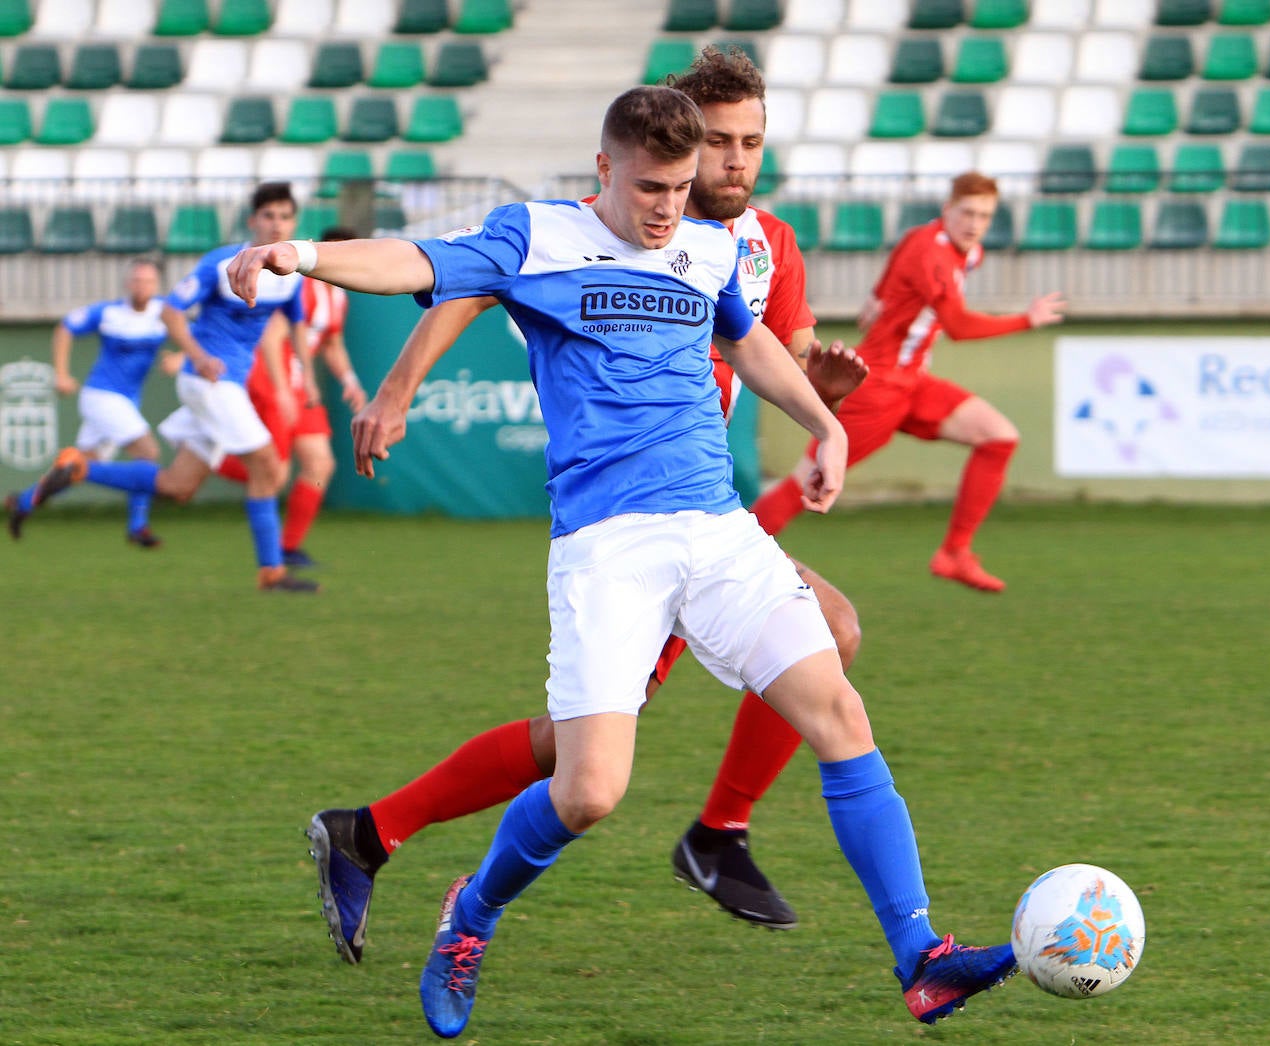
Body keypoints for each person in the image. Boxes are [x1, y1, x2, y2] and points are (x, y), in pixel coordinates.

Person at [229, 85, 1014, 1037]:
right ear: (605, 170)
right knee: (590, 789)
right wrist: (299, 255)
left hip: (719, 534)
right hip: (610, 548)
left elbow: (748, 337)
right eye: (649, 186)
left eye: (681, 188)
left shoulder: (713, 245)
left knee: (840, 708)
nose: (666, 208)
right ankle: (469, 916)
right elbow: (416, 263)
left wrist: (822, 422)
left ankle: (920, 957)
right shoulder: (538, 237)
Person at [304, 48, 865, 965]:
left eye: (749, 143)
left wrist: (823, 395)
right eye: (714, 141)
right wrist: (399, 386)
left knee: (818, 640)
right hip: (626, 515)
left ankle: (714, 832)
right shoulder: (589, 230)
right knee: (584, 759)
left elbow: (783, 358)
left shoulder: (764, 247)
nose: (732, 162)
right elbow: (474, 281)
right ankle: (389, 840)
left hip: (704, 515)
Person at [751, 172, 1067, 593]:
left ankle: (954, 554)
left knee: (998, 436)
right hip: (874, 387)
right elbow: (957, 325)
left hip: (911, 383)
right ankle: (734, 555)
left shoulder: (963, 251)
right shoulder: (931, 253)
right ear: (947, 211)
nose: (974, 224)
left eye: (985, 216)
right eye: (967, 213)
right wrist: (1026, 319)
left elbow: (896, 271)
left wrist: (877, 298)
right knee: (804, 485)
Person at [15, 182, 320, 593]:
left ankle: (83, 468)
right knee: (270, 468)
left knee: (178, 486)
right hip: (211, 383)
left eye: (284, 216)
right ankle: (272, 571)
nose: (276, 223)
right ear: (252, 221)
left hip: (227, 386)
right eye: (268, 215)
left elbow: (296, 327)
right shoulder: (221, 263)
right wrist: (195, 354)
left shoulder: (291, 274)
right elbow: (172, 311)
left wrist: (304, 384)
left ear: (294, 221)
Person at [217, 225, 369, 568]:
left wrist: (349, 381)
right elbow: (272, 337)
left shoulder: (339, 294)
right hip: (274, 379)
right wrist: (283, 389)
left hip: (301, 385)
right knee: (276, 473)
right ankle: (212, 455)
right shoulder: (305, 286)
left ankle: (288, 548)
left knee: (320, 464)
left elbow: (331, 343)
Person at [6, 259, 173, 546]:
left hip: (126, 402)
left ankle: (23, 502)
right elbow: (65, 328)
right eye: (136, 280)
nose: (141, 286)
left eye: (148, 281)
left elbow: (195, 338)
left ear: (157, 285)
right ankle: (138, 525)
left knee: (82, 468)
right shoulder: (109, 313)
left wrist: (181, 359)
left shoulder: (165, 313)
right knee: (148, 453)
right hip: (102, 396)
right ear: (127, 283)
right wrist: (61, 374)